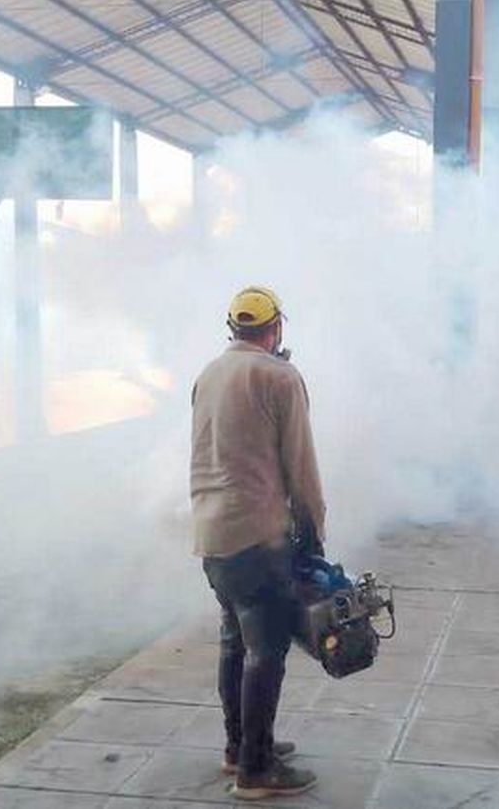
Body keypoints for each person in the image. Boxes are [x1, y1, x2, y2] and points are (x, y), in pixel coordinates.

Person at [190, 286, 325, 800]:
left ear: (233, 328)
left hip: (213, 537)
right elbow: (301, 467)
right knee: (266, 652)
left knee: (234, 642)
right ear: (276, 328)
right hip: (258, 538)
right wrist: (314, 528)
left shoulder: (208, 374)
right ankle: (257, 768)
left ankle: (238, 747)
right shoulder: (280, 377)